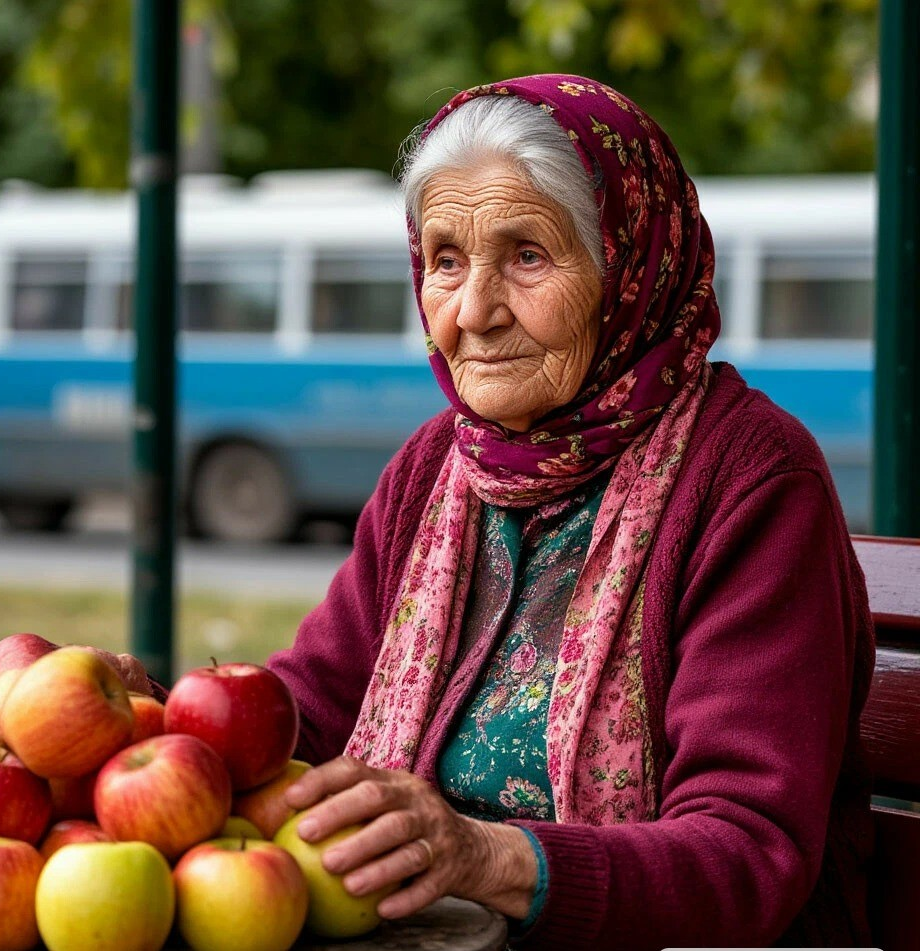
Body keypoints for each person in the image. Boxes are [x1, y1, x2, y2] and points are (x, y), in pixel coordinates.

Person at [267, 74, 875, 950]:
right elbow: (313, 708)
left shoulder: (751, 477)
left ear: (631, 267)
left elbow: (748, 848)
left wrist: (482, 854)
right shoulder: (435, 467)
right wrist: (163, 721)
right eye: (445, 260)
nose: (473, 312)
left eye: (527, 256)